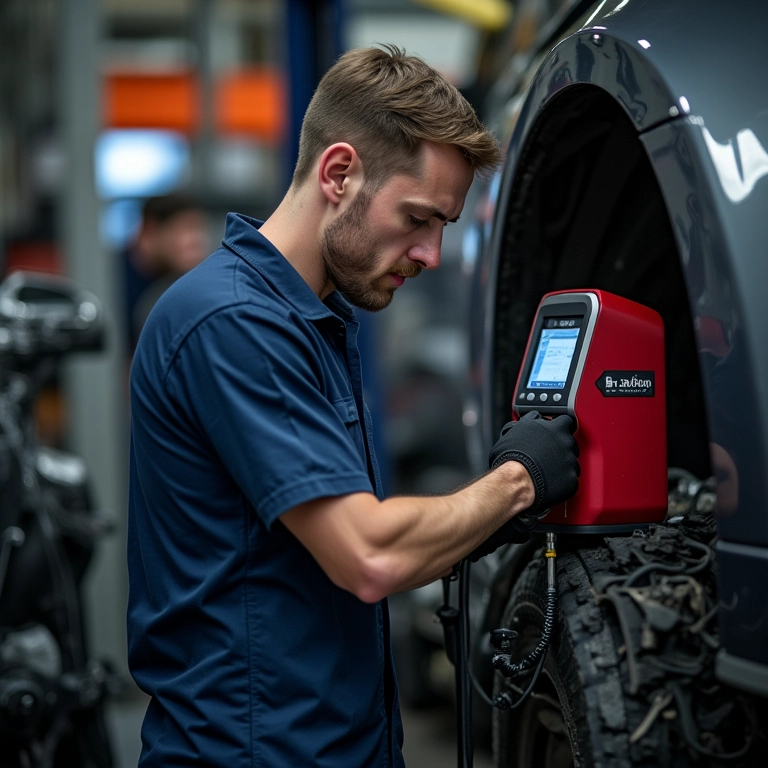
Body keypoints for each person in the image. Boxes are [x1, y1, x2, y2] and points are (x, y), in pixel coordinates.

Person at [127, 45, 580, 767]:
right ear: (340, 174)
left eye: (443, 228)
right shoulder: (234, 322)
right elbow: (367, 553)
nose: (430, 254)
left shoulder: (313, 320)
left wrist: (467, 525)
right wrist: (518, 481)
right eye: (417, 218)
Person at [121, 192, 209, 354]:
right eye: (186, 230)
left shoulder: (181, 281)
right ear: (150, 232)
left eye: (199, 231)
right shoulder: (112, 277)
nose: (196, 244)